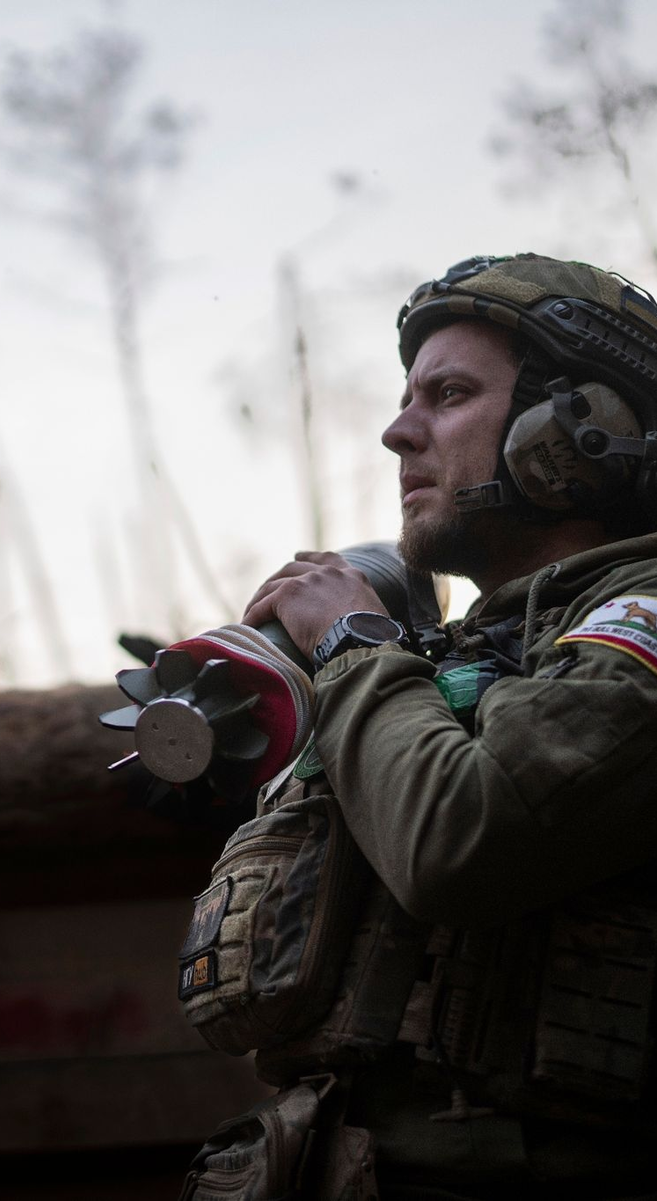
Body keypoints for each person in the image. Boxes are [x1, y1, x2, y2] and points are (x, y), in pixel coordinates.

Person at [182, 254, 657, 1199]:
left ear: (584, 429)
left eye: (448, 394)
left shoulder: (640, 619)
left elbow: (462, 835)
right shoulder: (444, 659)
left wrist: (353, 641)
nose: (400, 432)